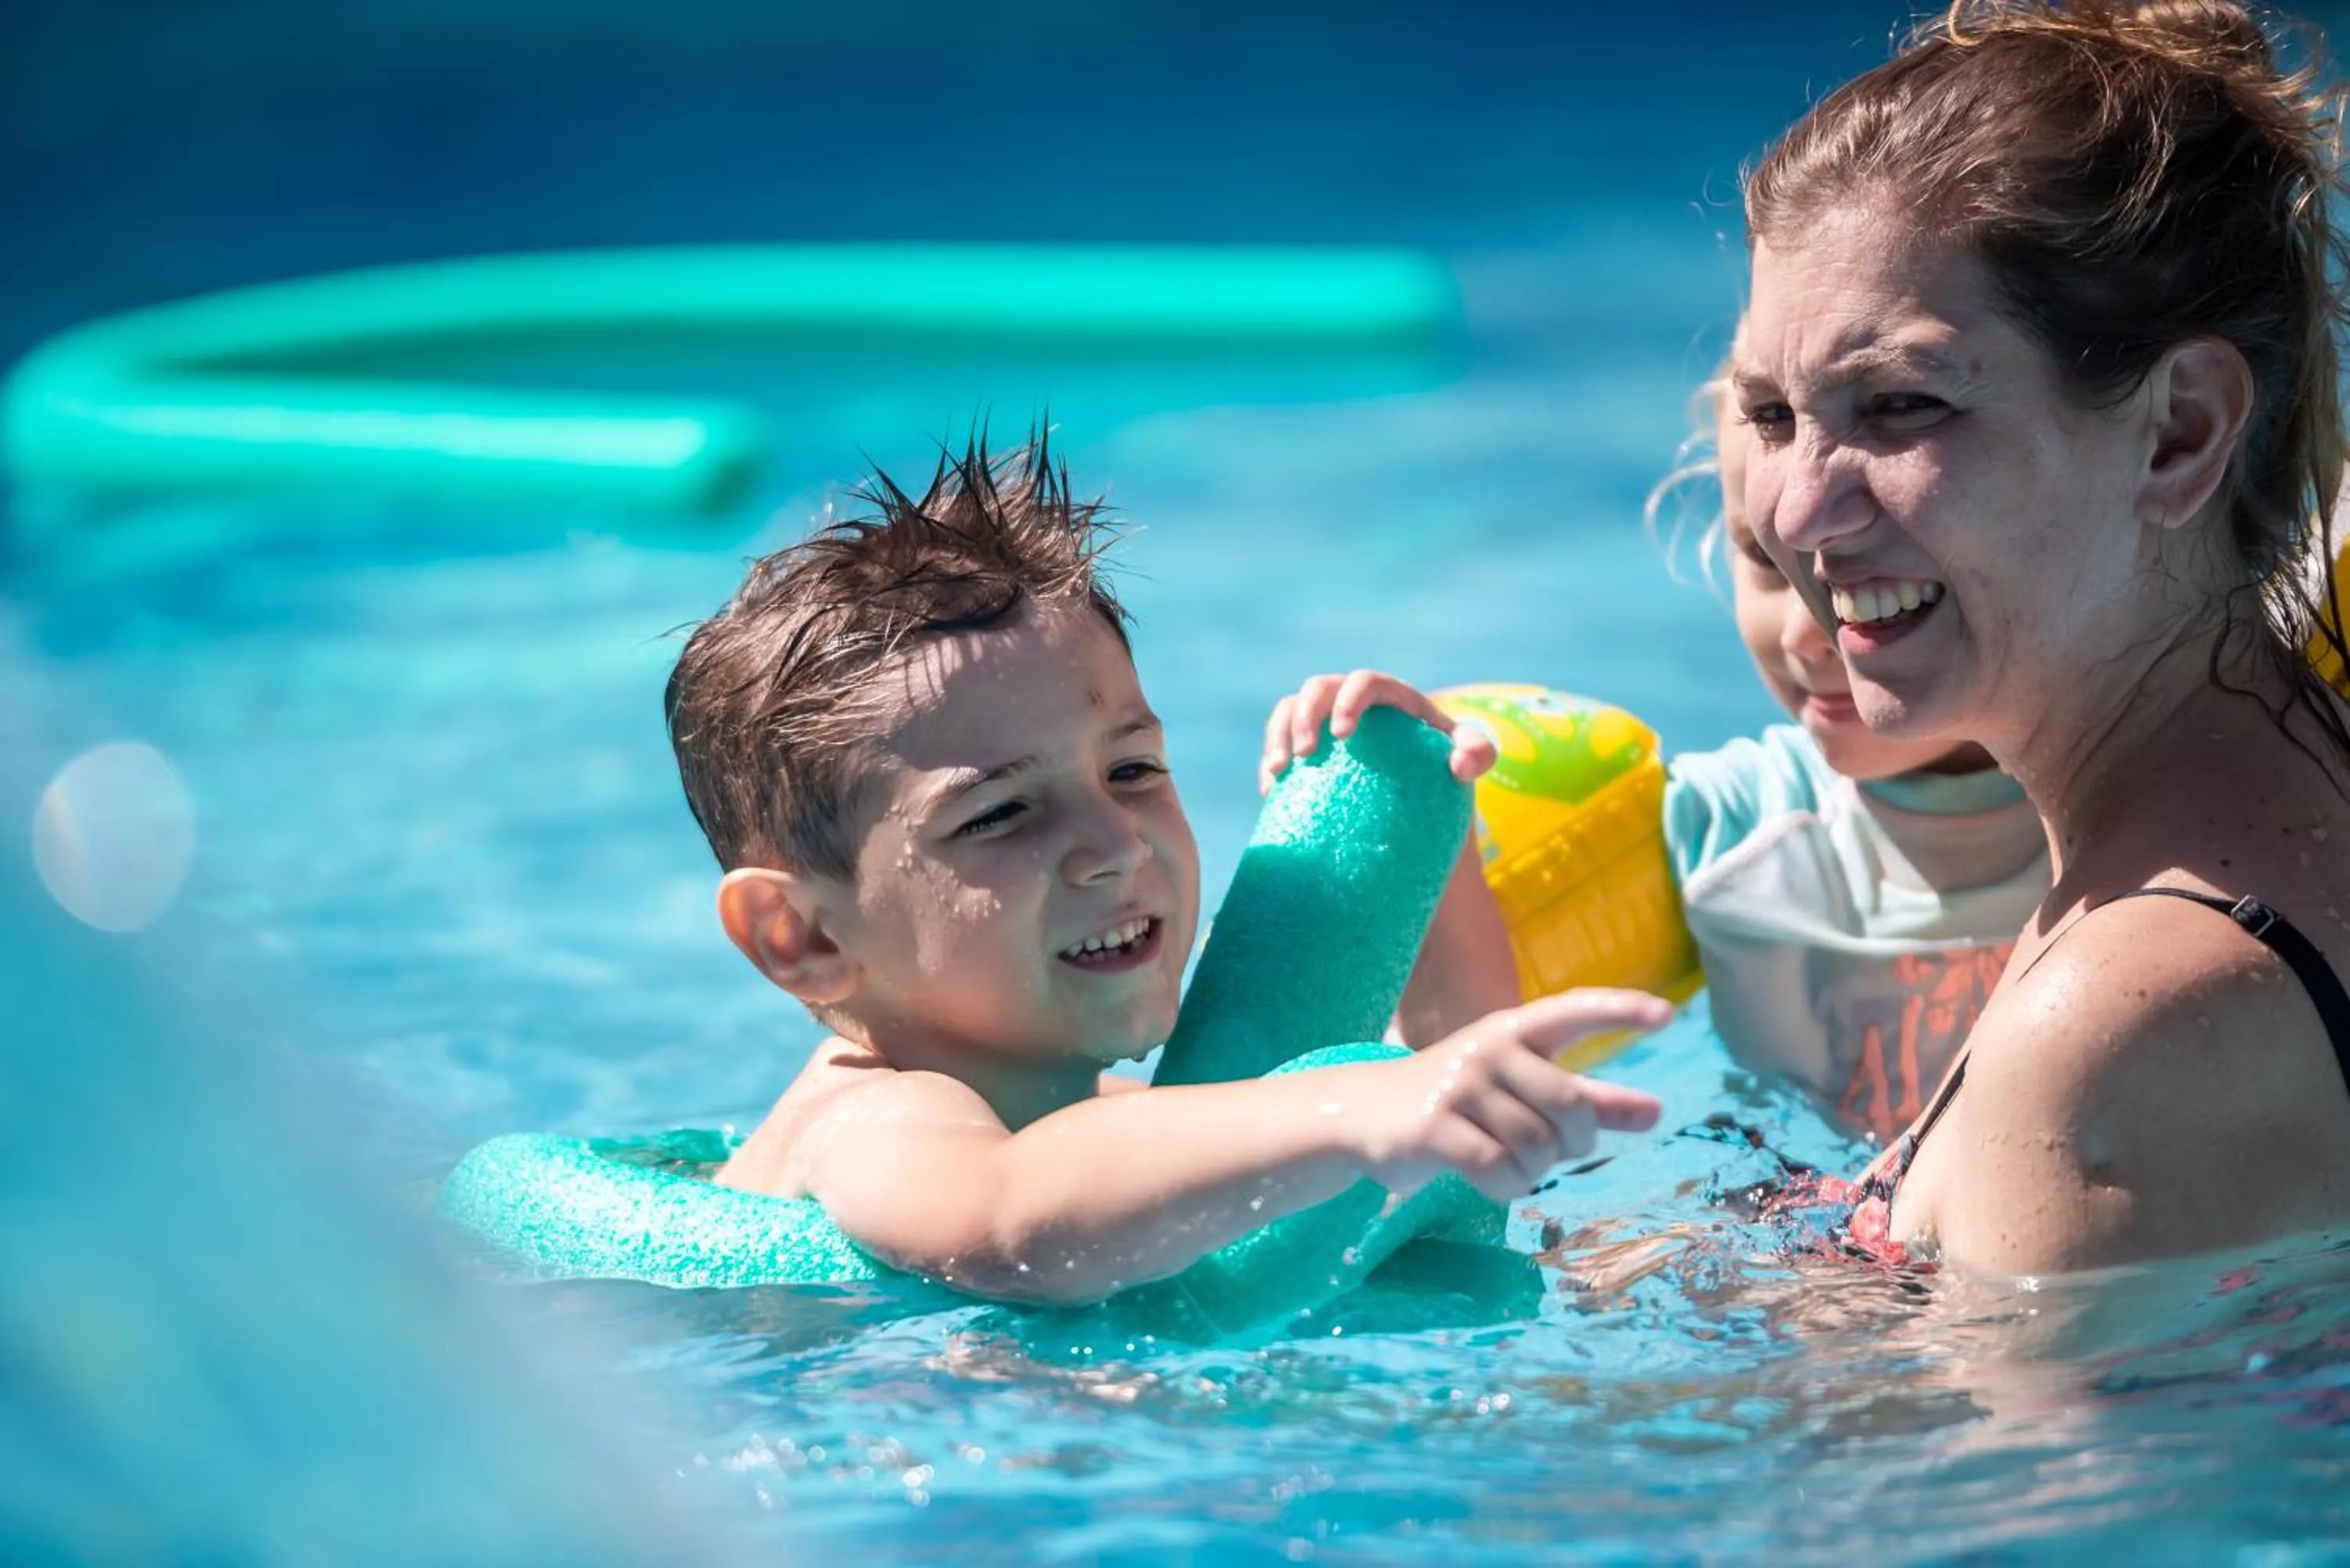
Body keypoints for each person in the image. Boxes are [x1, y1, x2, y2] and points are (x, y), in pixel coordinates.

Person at [660, 433, 1665, 1306]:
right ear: (806, 937)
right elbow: (1007, 1218)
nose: (1118, 845)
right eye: (1001, 812)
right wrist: (1354, 1109)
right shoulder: (878, 1116)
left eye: (1131, 769)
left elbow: (1458, 1097)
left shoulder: (1107, 1119)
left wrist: (1426, 831)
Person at [1730, 0, 2350, 1273]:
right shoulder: (2275, 830)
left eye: (1901, 405)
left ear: (2180, 431)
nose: (1795, 510)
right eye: (1773, 411)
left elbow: (2015, 1479)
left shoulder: (2117, 1032)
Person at [1261, 389, 2049, 1146]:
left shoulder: (2132, 814)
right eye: (1769, 563)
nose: (1807, 636)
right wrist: (1429, 809)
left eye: (1869, 566)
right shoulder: (1732, 825)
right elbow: (1473, 1077)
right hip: (1793, 1240)